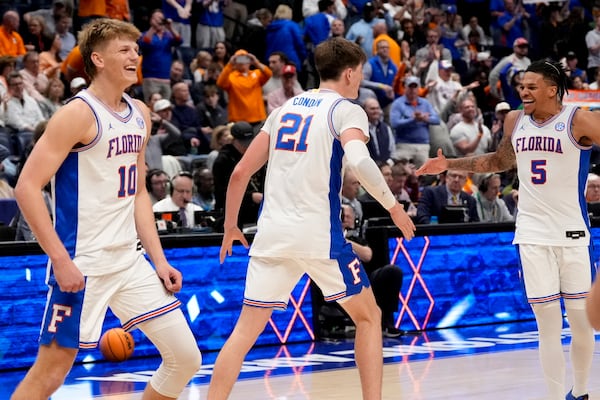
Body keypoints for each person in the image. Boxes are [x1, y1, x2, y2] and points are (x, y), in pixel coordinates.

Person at [207, 37, 415, 400]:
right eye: (361, 73)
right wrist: (394, 207)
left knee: (243, 334)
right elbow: (362, 162)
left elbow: (239, 173)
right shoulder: (345, 110)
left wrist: (230, 226)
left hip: (271, 236)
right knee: (368, 318)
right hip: (318, 236)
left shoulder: (283, 110)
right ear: (350, 73)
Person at [10, 19, 201, 400]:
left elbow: (140, 195)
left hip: (129, 261)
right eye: (124, 50)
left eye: (137, 49)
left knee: (185, 358)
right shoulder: (77, 114)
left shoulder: (141, 113)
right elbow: (26, 188)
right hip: (84, 262)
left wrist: (159, 260)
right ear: (97, 59)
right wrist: (61, 261)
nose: (135, 56)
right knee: (49, 374)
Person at [417, 59, 596, 400]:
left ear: (552, 90)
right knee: (547, 325)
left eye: (531, 86)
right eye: (521, 86)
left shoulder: (579, 119)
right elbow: (498, 162)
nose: (523, 91)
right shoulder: (515, 120)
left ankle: (583, 391)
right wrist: (449, 164)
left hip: (573, 234)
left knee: (580, 321)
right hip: (530, 235)